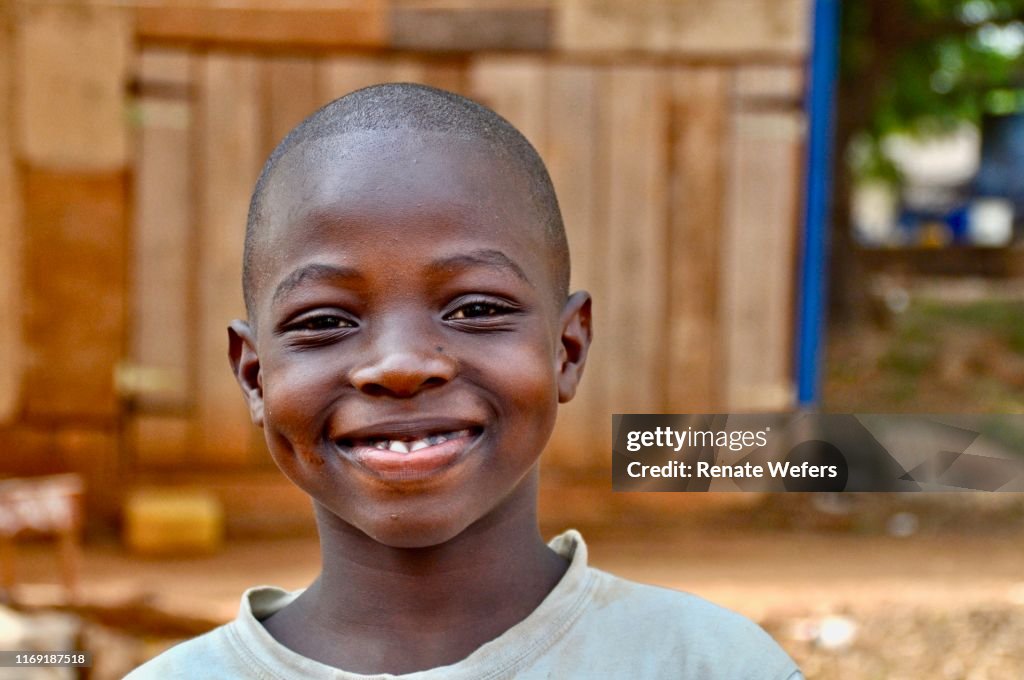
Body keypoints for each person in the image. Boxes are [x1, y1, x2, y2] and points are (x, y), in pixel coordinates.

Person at [126, 83, 802, 679]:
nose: (401, 364)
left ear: (566, 347)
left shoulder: (707, 665)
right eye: (326, 319)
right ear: (254, 374)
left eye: (476, 309)